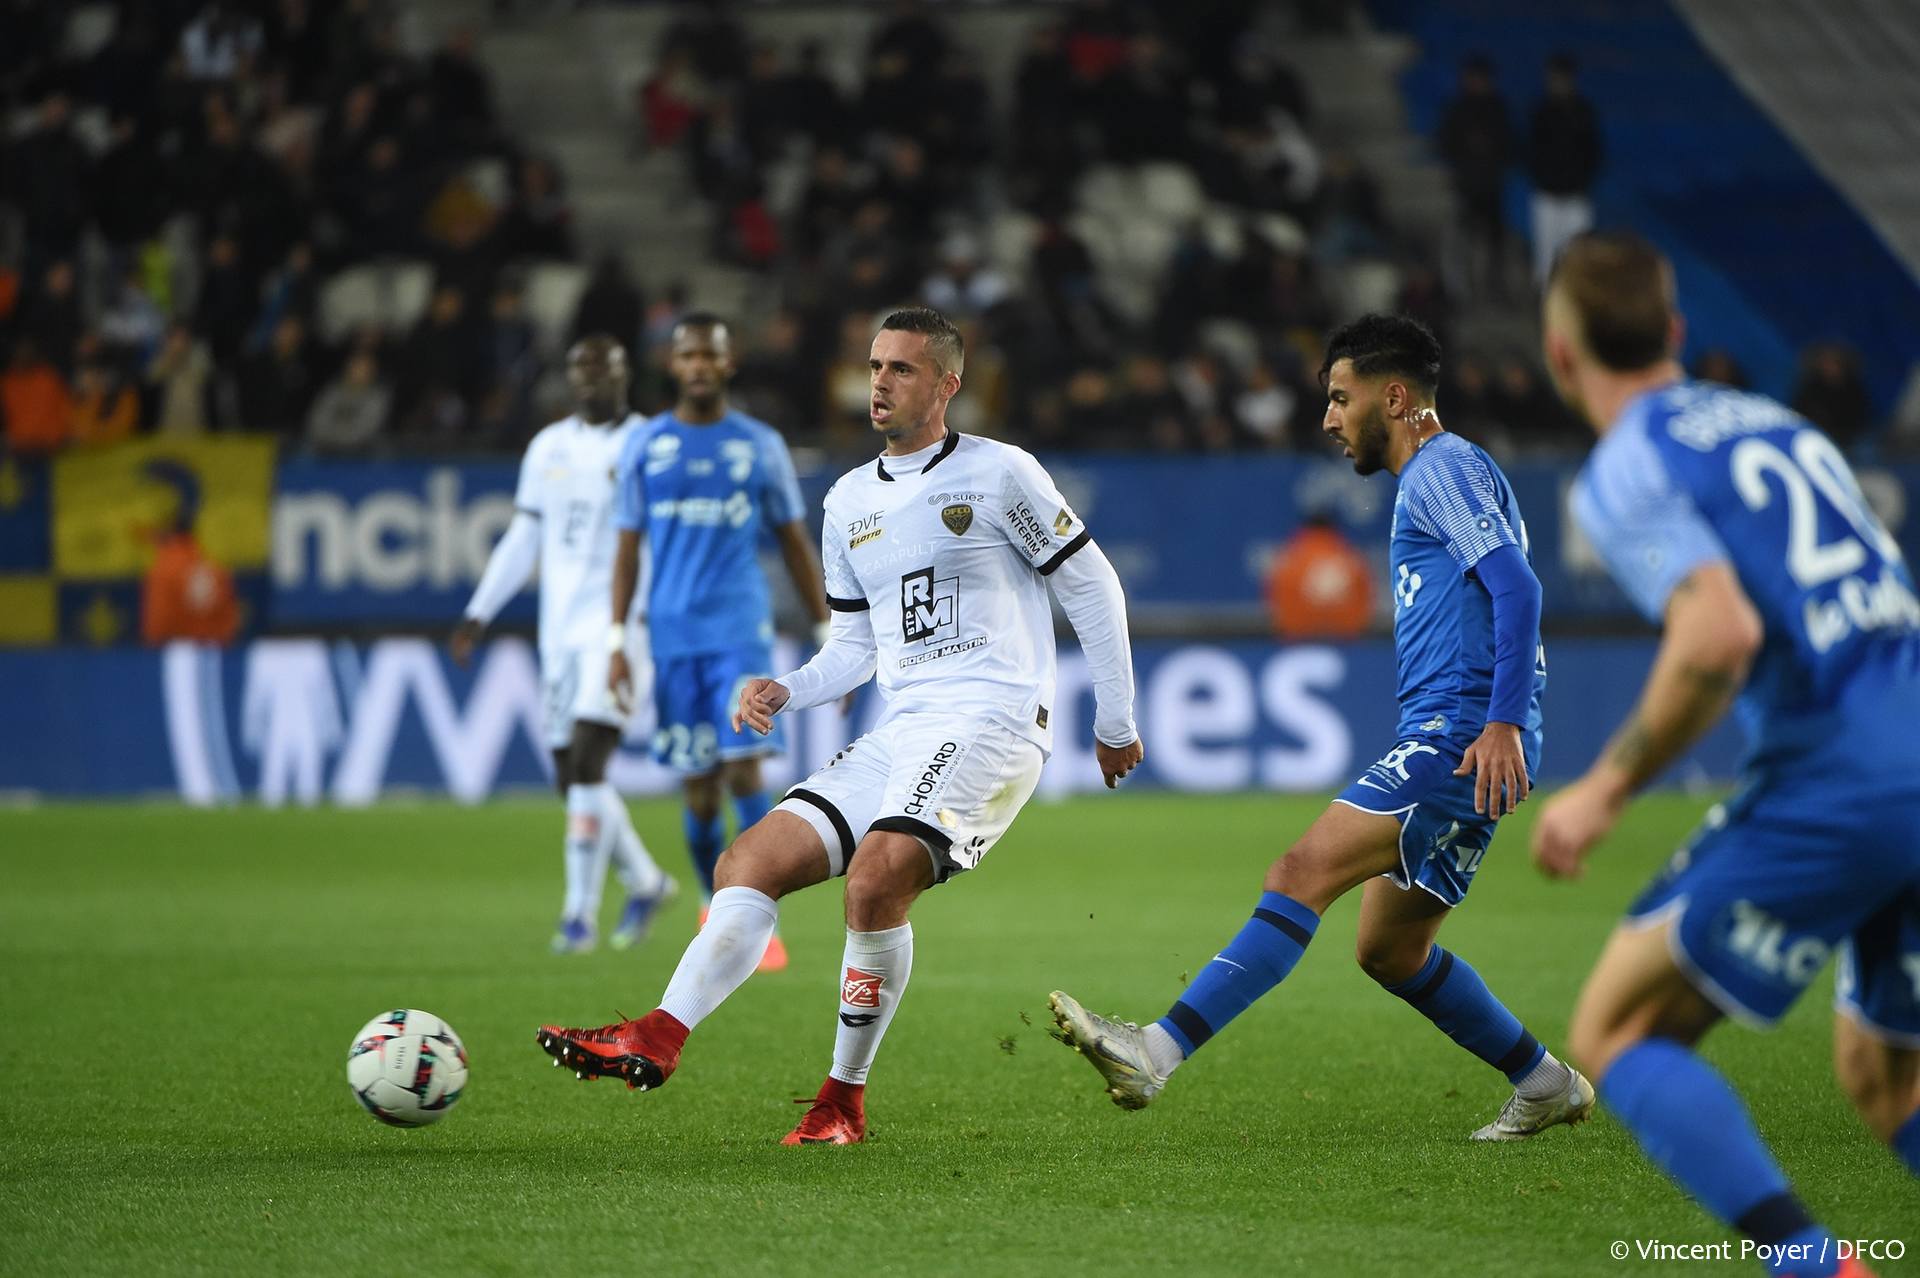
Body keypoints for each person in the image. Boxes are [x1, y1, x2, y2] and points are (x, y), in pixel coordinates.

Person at [537, 307, 1143, 1145]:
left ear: (947, 383)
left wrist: (1115, 717)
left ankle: (840, 1103)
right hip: (908, 725)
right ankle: (659, 1034)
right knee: (747, 860)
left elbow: (1093, 587)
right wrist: (786, 688)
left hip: (994, 719)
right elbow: (854, 646)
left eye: (901, 368)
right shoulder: (849, 499)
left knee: (874, 880)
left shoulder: (1003, 474)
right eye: (873, 367)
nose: (880, 383)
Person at [1050, 314, 1590, 1142]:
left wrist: (1503, 722)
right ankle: (1544, 1081)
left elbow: (1517, 588)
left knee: (1301, 869)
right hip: (1467, 730)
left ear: (1396, 396)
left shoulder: (1439, 467)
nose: (1330, 419)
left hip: (1462, 732)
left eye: (1342, 398)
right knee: (1390, 950)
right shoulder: (1452, 473)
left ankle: (1155, 1050)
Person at [1533, 232, 1918, 1278]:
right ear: (1675, 331)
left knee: (1615, 1030)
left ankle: (1817, 1270)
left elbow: (1717, 635)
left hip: (1849, 772)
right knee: (1886, 1074)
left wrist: (1607, 787)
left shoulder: (1628, 465)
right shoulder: (1781, 425)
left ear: (1561, 357)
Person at [601, 313, 832, 974]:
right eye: (689, 355)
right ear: (673, 366)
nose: (700, 365)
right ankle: (712, 898)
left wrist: (825, 631)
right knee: (700, 788)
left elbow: (793, 542)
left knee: (743, 767)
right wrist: (618, 638)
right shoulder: (645, 445)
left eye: (711, 355)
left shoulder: (759, 444)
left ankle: (755, 914)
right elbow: (625, 549)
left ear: (729, 365)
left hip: (740, 631)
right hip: (672, 637)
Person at [451, 336, 673, 955]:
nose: (591, 382)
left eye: (603, 370)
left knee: (586, 759)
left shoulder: (653, 441)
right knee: (570, 775)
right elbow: (524, 537)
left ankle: (578, 916)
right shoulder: (548, 447)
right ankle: (646, 880)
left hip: (621, 627)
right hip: (559, 633)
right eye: (581, 372)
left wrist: (654, 619)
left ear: (627, 373)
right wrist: (478, 612)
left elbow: (666, 540)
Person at [1525, 52, 1602, 286]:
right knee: (1546, 258)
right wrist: (1542, 177)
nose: (1557, 83)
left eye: (1562, 77)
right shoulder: (1541, 112)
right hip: (1547, 195)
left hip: (1576, 195)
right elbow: (1530, 151)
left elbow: (1593, 152)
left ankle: (1574, 310)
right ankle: (1549, 310)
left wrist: (1582, 180)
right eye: (1553, 77)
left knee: (1578, 258)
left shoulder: (1583, 112)